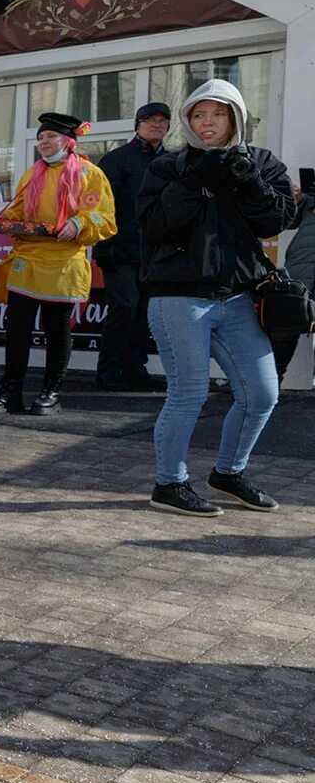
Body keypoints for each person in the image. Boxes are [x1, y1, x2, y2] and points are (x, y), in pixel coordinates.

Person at [138, 78, 295, 517]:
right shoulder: (170, 166)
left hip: (240, 297)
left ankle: (228, 472)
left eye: (218, 114)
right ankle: (169, 483)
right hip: (179, 298)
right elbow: (153, 225)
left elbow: (274, 222)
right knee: (188, 392)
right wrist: (195, 179)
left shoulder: (261, 162)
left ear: (235, 117)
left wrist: (246, 181)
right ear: (187, 120)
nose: (207, 123)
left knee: (263, 393)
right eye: (198, 115)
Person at [0, 114, 117, 416]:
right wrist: (4, 222)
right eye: (41, 139)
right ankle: (10, 391)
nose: (44, 144)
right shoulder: (33, 172)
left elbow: (105, 218)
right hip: (27, 259)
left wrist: (79, 223)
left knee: (57, 331)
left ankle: (51, 392)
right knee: (17, 329)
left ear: (68, 142)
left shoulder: (90, 173)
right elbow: (16, 209)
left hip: (63, 261)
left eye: (50, 138)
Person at [95, 103, 172, 391]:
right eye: (150, 120)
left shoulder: (173, 161)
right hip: (119, 250)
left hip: (155, 254)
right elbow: (101, 207)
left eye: (162, 121)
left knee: (144, 312)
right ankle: (108, 371)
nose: (157, 125)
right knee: (124, 308)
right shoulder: (116, 159)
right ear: (137, 125)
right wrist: (104, 247)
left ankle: (134, 369)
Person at [278, 192, 315, 384]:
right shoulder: (311, 202)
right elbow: (285, 221)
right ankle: (266, 396)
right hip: (298, 281)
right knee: (282, 337)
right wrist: (295, 200)